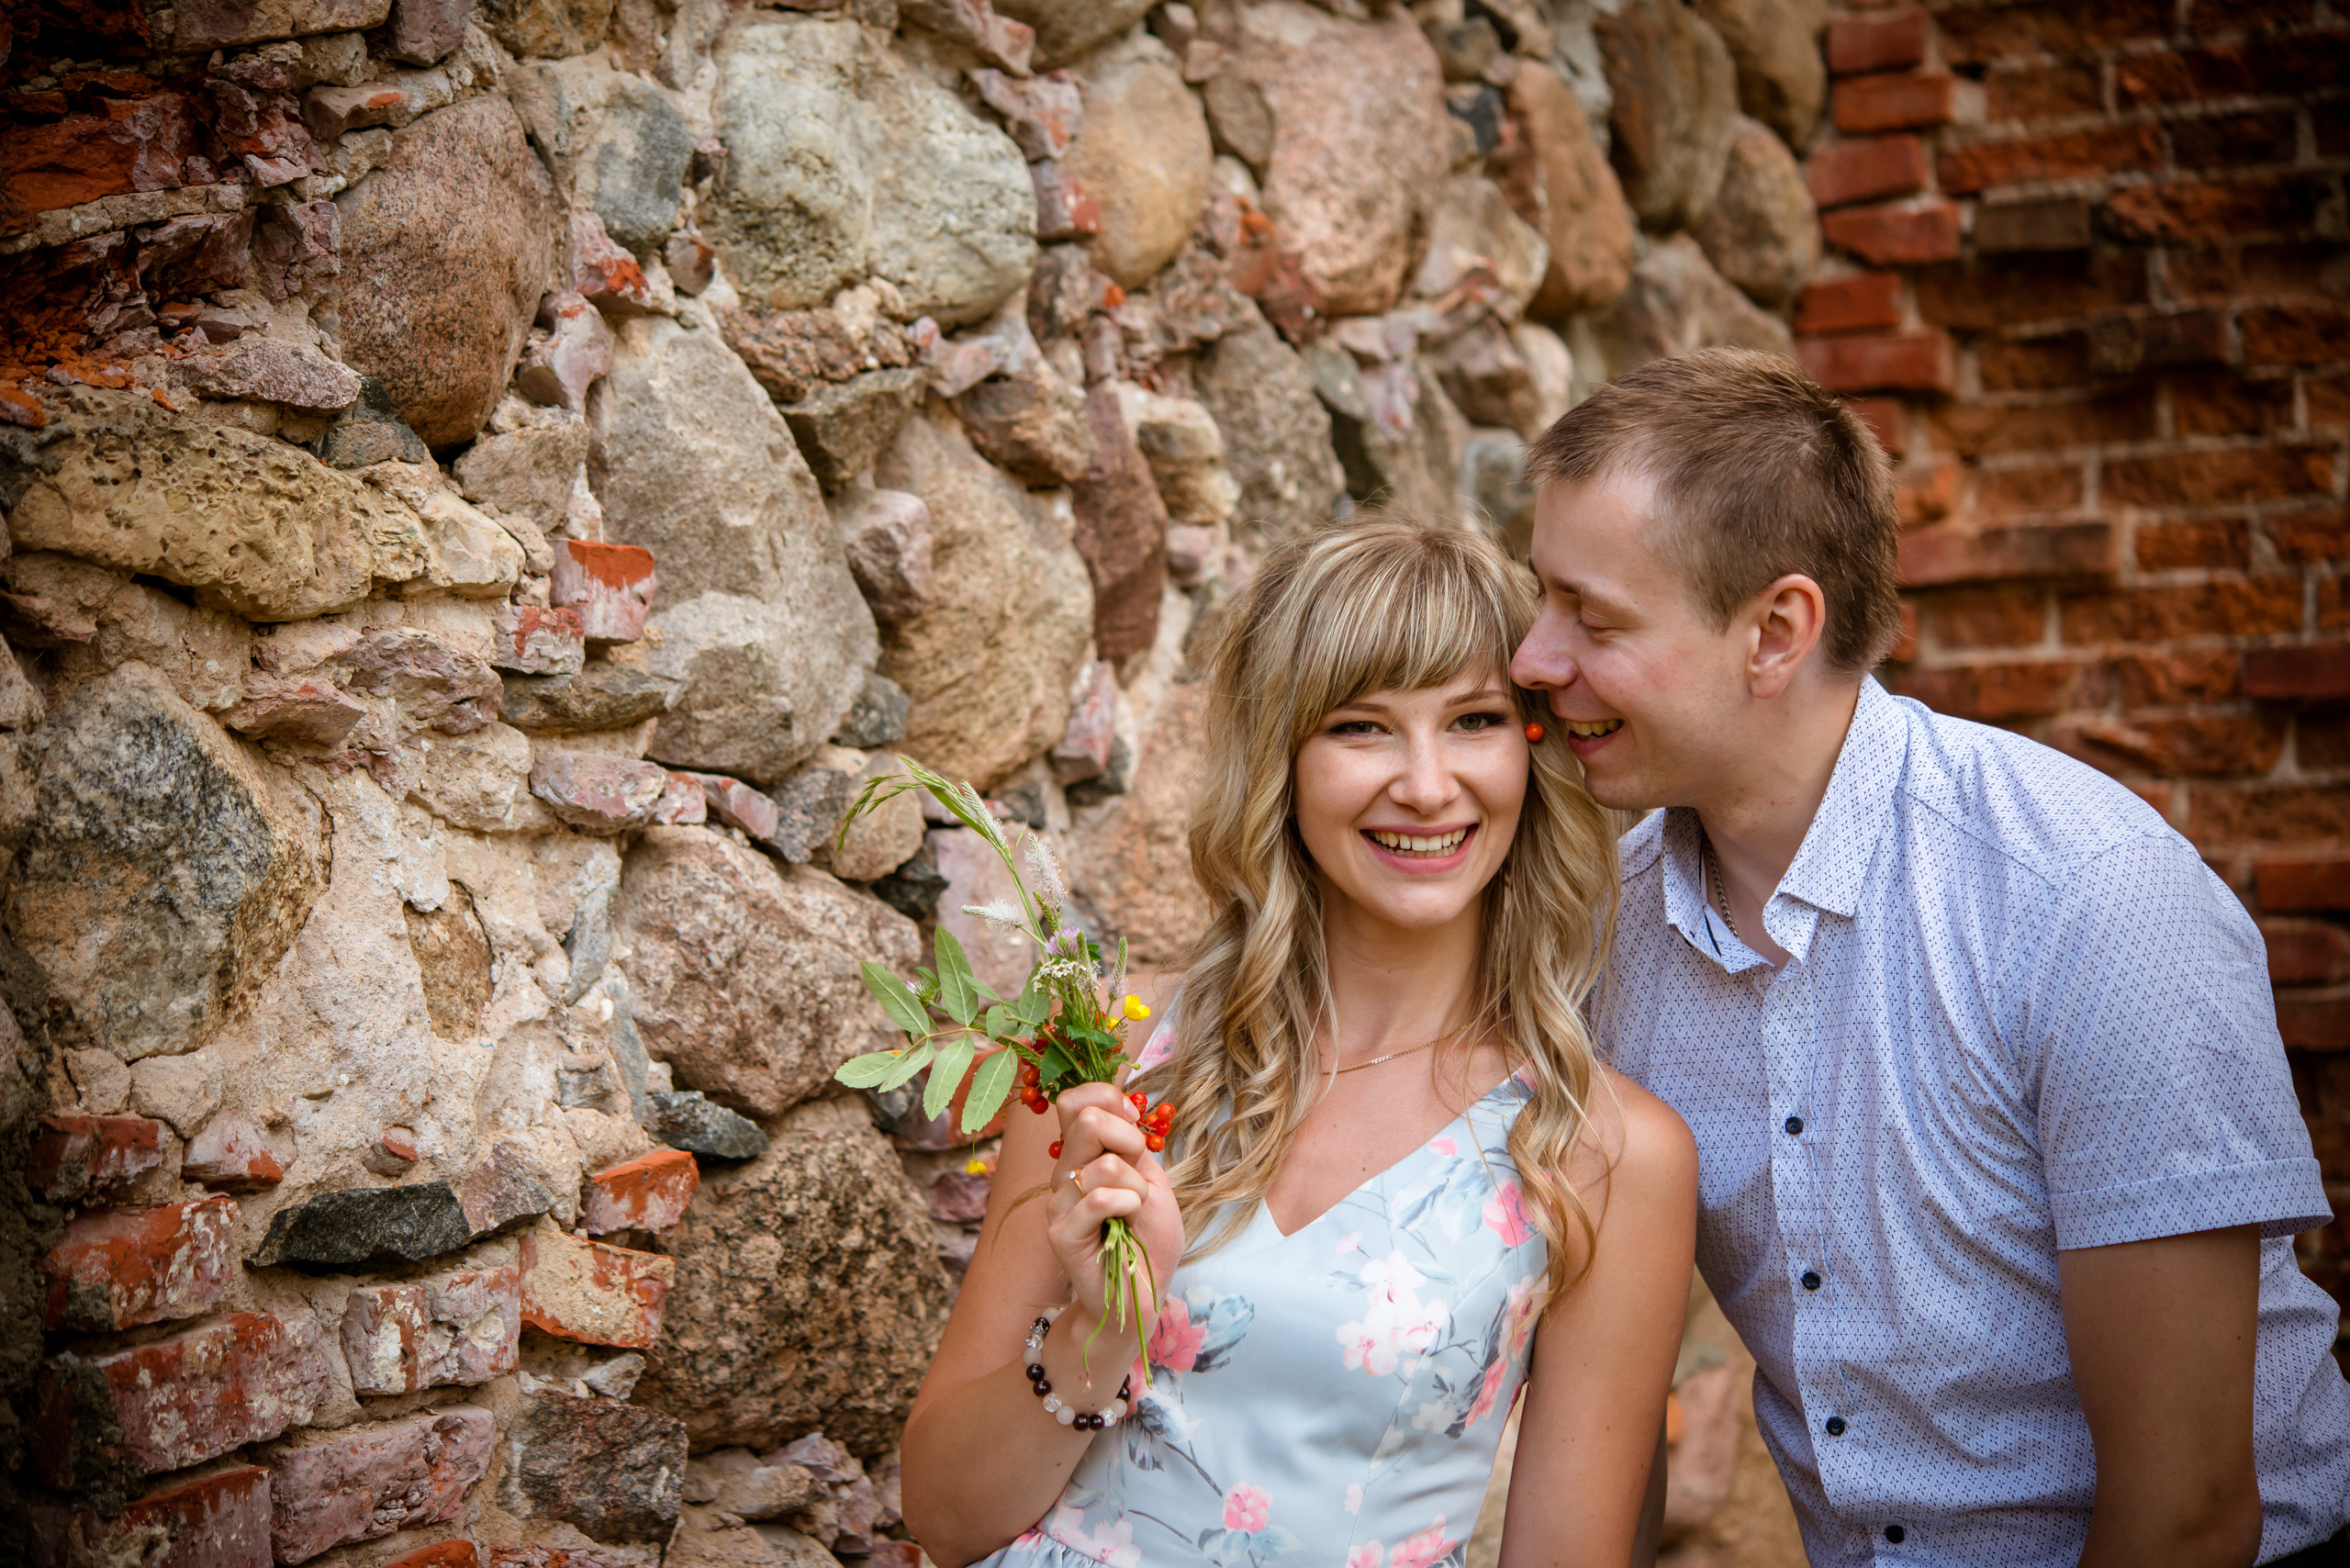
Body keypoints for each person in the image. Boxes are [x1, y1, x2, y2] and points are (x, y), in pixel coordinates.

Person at [1508, 346, 2350, 1567]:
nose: (1533, 660)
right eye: (1544, 600)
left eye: (1593, 618)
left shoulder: (2086, 900)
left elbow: (2191, 1514)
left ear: (1776, 632)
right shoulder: (1607, 940)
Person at [901, 518, 1698, 1567]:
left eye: (1472, 720)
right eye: (1361, 727)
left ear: (1530, 749)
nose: (1423, 784)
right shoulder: (1113, 1061)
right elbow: (943, 1517)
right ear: (1281, 756)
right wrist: (1099, 1333)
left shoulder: (1602, 1152)